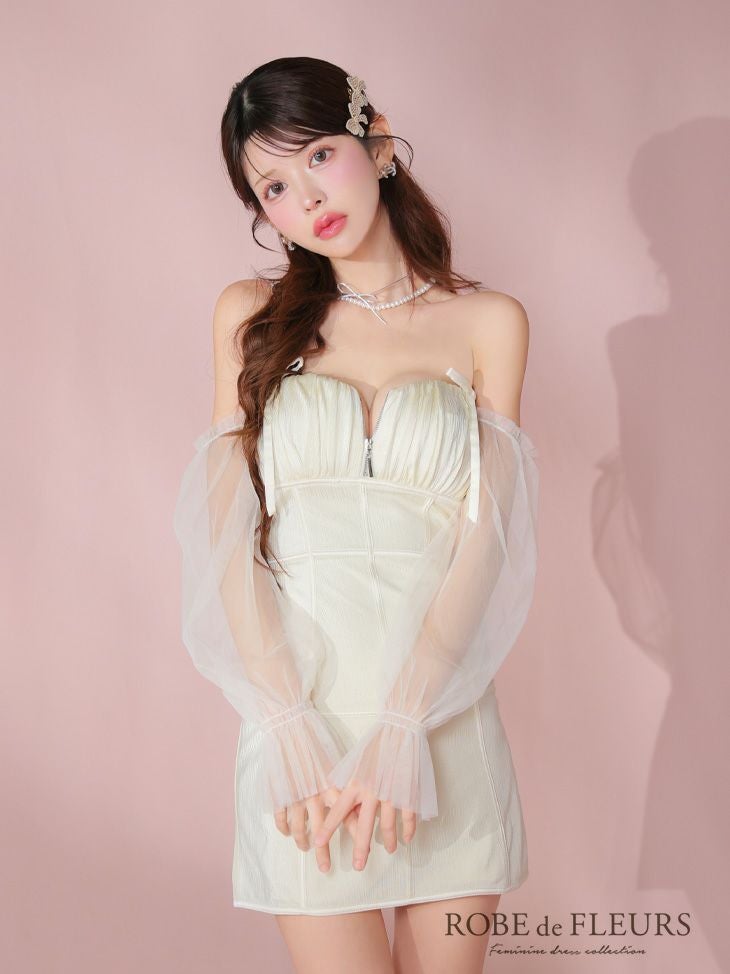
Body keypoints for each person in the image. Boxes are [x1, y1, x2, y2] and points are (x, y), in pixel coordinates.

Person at [173, 56, 539, 974]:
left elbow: (485, 542)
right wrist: (284, 721)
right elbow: (226, 538)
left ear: (376, 144)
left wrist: (409, 721)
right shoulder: (249, 318)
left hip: (441, 721)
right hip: (304, 733)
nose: (305, 198)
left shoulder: (490, 322)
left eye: (318, 156)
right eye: (273, 187)